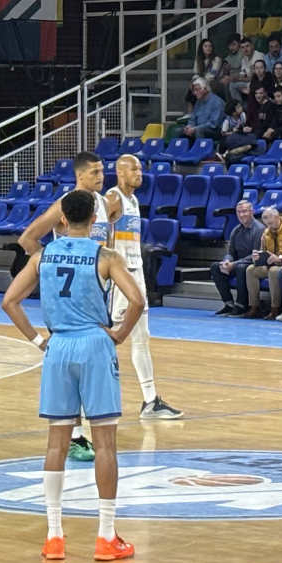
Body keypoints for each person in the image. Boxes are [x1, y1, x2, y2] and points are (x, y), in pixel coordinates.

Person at [1, 188, 144, 562]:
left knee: (56, 444)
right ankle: (106, 536)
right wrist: (119, 335)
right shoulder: (105, 255)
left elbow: (9, 301)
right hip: (94, 344)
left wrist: (37, 340)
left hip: (59, 346)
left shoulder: (42, 256)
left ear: (62, 219)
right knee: (105, 444)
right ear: (94, 219)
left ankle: (53, 536)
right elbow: (137, 300)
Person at [15, 151, 115, 462]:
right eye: (95, 172)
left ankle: (84, 431)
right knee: (76, 370)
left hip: (94, 293)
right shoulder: (65, 204)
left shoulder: (102, 204)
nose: (101, 177)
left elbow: (106, 248)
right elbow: (28, 238)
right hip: (71, 302)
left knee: (92, 368)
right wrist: (50, 266)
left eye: (102, 171)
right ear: (79, 175)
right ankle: (75, 435)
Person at [108, 154, 181, 420]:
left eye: (140, 169)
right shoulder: (113, 198)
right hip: (120, 277)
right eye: (134, 169)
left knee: (141, 336)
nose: (139, 173)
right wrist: (107, 270)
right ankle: (91, 396)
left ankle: (150, 401)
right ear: (120, 172)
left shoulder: (134, 199)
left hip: (135, 273)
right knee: (111, 337)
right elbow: (98, 234)